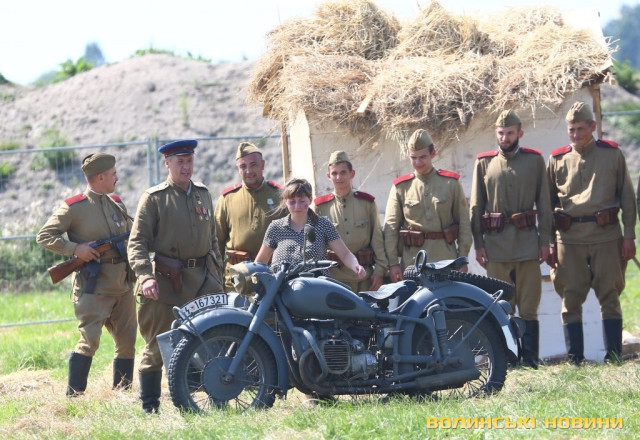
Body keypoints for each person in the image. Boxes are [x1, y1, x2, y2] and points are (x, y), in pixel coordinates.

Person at [127, 139, 224, 413]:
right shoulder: (155, 198)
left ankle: (210, 397)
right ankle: (150, 406)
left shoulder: (203, 193)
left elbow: (213, 239)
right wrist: (145, 276)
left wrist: (218, 275)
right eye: (180, 162)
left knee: (213, 340)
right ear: (167, 163)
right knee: (158, 344)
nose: (186, 167)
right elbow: (137, 242)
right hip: (167, 283)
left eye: (189, 160)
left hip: (204, 280)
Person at [37, 153, 137, 396]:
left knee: (127, 343)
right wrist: (75, 249)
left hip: (122, 284)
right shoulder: (74, 207)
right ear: (100, 177)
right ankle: (75, 397)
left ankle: (121, 395)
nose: (117, 177)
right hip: (93, 286)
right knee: (89, 341)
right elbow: (44, 236)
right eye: (113, 174)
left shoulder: (116, 203)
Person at [547, 101, 636, 365]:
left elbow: (627, 198)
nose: (576, 134)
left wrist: (629, 236)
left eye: (581, 129)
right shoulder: (557, 159)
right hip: (569, 238)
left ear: (593, 127)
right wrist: (549, 242)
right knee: (570, 296)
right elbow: (547, 203)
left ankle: (614, 356)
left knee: (610, 295)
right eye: (571, 129)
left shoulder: (612, 155)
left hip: (605, 236)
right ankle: (575, 359)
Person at [469, 109, 552, 368]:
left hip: (527, 244)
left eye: (510, 133)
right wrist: (479, 244)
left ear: (520, 133)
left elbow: (545, 204)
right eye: (501, 133)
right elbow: (475, 207)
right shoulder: (484, 163)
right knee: (501, 306)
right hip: (496, 247)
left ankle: (530, 360)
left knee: (529, 306)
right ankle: (509, 361)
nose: (505, 138)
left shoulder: (535, 161)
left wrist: (545, 241)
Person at [383, 129, 472, 282]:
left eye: (422, 157)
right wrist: (393, 263)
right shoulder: (401, 187)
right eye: (413, 157)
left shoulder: (451, 183)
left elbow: (464, 223)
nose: (418, 162)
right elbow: (390, 228)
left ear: (433, 154)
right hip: (412, 263)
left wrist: (462, 259)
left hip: (446, 261)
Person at [254, 177, 366, 281]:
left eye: (302, 201)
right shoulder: (275, 227)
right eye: (292, 202)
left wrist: (355, 266)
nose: (297, 206)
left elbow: (345, 254)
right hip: (282, 289)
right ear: (285, 201)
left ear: (310, 200)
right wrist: (253, 282)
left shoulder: (323, 224)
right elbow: (260, 262)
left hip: (315, 288)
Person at [313, 150, 388, 292]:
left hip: (364, 278)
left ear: (352, 174)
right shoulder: (320, 207)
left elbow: (377, 238)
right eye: (334, 173)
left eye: (343, 172)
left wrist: (379, 271)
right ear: (328, 176)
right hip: (334, 278)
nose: (338, 177)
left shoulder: (367, 203)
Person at [215, 142, 283, 291]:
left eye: (253, 165)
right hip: (236, 279)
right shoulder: (227, 199)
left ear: (263, 164)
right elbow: (216, 242)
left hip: (272, 278)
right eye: (243, 166)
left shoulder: (280, 196)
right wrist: (217, 278)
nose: (248, 171)